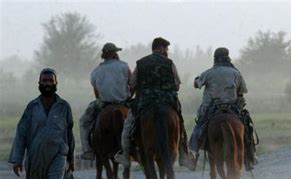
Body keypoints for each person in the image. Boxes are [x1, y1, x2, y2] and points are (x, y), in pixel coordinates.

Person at [9, 68, 75, 179]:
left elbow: (69, 133)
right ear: (39, 83)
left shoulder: (63, 106)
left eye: (50, 81)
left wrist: (71, 158)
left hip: (58, 156)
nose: (47, 84)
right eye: (44, 81)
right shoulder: (32, 107)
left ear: (56, 83)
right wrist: (17, 158)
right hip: (35, 157)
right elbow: (21, 133)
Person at [114, 37, 194, 169]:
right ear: (160, 48)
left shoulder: (141, 63)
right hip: (167, 102)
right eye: (166, 48)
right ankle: (183, 154)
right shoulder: (169, 63)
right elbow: (177, 85)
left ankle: (125, 154)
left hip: (145, 102)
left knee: (128, 125)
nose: (167, 51)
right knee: (180, 122)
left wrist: (131, 96)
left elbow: (132, 84)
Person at [190, 47, 257, 171]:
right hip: (233, 108)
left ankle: (193, 154)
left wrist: (196, 79)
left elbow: (196, 85)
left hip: (211, 108)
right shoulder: (236, 73)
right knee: (247, 127)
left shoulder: (208, 72)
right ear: (228, 57)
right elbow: (242, 91)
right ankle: (250, 156)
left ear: (215, 58)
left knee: (198, 127)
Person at [79, 42, 131, 160]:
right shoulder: (124, 66)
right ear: (113, 54)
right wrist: (129, 96)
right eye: (116, 52)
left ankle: (87, 150)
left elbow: (96, 93)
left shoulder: (96, 71)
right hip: (123, 102)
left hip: (104, 103)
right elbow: (132, 84)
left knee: (84, 122)